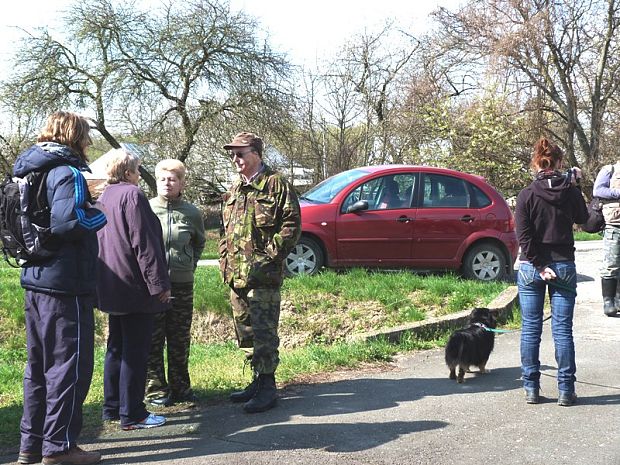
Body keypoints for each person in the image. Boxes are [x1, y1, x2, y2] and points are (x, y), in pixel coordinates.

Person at [14, 111, 106, 465]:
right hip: (65, 284)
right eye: (85, 138)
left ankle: (30, 446)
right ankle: (60, 447)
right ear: (75, 137)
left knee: (37, 368)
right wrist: (100, 213)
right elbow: (69, 222)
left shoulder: (27, 169)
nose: (86, 145)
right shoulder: (67, 171)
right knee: (69, 366)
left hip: (35, 278)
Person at [219, 132, 301, 413]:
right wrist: (223, 262)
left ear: (256, 153)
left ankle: (268, 387)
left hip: (263, 278)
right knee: (246, 333)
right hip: (236, 277)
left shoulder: (276, 185)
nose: (235, 159)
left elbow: (291, 226)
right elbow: (224, 231)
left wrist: (269, 257)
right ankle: (256, 380)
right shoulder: (234, 189)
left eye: (240, 153)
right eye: (232, 154)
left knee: (265, 334)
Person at [96, 149, 171, 430]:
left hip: (111, 284)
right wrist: (159, 285)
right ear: (127, 173)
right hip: (135, 286)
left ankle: (112, 408)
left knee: (115, 347)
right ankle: (133, 414)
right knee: (135, 351)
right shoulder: (132, 195)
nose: (140, 175)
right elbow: (145, 244)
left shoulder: (104, 196)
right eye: (138, 170)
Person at [515, 137, 588, 407]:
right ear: (559, 163)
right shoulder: (570, 192)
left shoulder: (526, 195)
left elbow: (523, 237)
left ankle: (531, 387)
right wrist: (577, 185)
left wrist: (539, 265)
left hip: (531, 268)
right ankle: (566, 390)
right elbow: (585, 219)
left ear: (536, 162)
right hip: (564, 265)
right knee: (562, 330)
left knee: (531, 329)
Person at [145, 159, 206, 406]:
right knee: (153, 338)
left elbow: (199, 243)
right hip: (154, 286)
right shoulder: (147, 209)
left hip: (182, 284)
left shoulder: (192, 213)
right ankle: (156, 390)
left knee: (179, 337)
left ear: (181, 183)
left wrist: (188, 265)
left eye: (172, 179)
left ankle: (181, 387)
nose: (167, 183)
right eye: (162, 179)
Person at [592, 161, 620, 316]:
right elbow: (598, 190)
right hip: (615, 225)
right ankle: (608, 301)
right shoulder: (610, 170)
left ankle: (619, 300)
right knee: (611, 263)